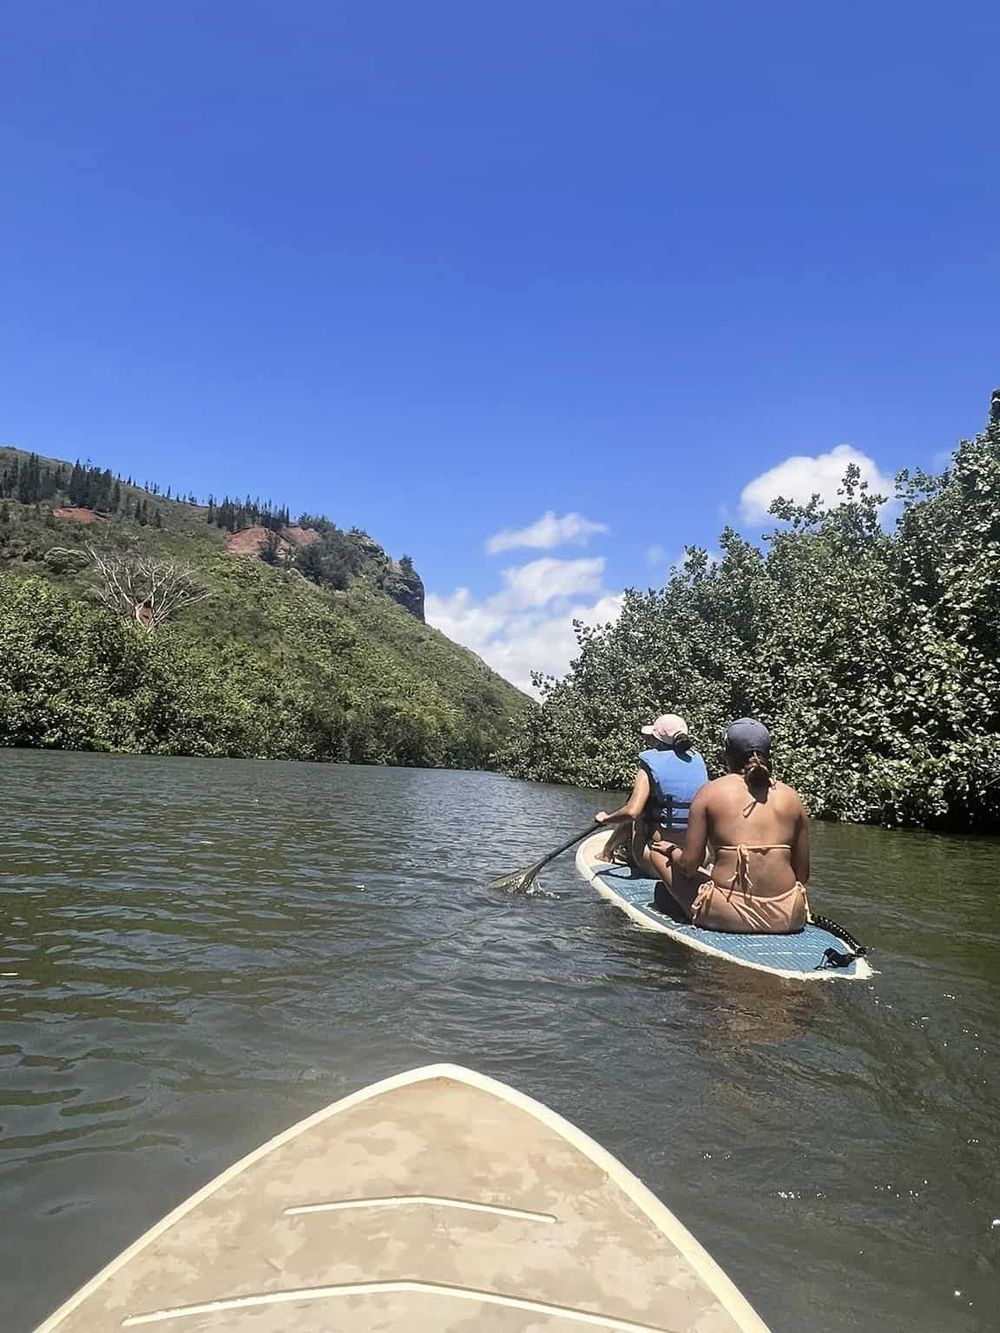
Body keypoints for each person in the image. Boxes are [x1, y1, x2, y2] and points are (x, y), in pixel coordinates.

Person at [648, 718, 810, 933]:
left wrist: (672, 850)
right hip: (789, 916)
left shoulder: (710, 792)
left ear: (727, 756)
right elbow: (803, 875)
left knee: (658, 854)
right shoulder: (792, 797)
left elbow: (688, 866)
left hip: (727, 915)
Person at [594, 713, 708, 875]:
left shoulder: (650, 764)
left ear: (656, 740)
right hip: (696, 859)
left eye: (650, 738)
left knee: (637, 809)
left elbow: (632, 812)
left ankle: (607, 852)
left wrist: (606, 819)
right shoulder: (698, 761)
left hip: (656, 860)